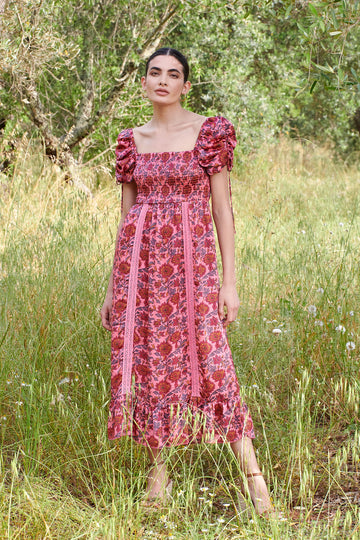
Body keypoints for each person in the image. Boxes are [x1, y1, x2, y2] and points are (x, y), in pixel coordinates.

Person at [100, 47, 274, 516]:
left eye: (172, 74)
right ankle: (159, 478)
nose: (162, 81)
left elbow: (223, 210)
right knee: (151, 360)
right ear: (143, 82)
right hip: (139, 269)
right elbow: (125, 217)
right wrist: (111, 289)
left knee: (212, 359)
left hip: (194, 266)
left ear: (185, 85)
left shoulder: (207, 132)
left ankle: (255, 482)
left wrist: (230, 282)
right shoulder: (130, 140)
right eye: (154, 73)